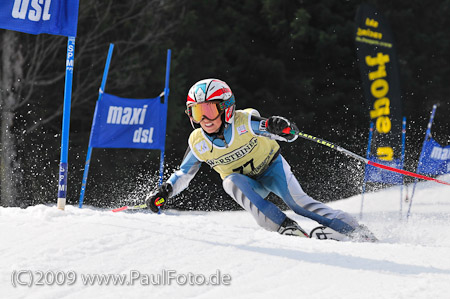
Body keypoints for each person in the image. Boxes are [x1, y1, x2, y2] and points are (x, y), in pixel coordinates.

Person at [146, 78, 376, 242]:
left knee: (299, 204)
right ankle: (284, 227)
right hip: (248, 185)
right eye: (197, 112)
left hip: (272, 169)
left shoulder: (244, 121)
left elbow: (284, 133)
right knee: (230, 182)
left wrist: (283, 127)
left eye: (210, 110)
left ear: (226, 109)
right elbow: (183, 174)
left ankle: (355, 230)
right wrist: (164, 192)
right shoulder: (198, 142)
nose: (204, 119)